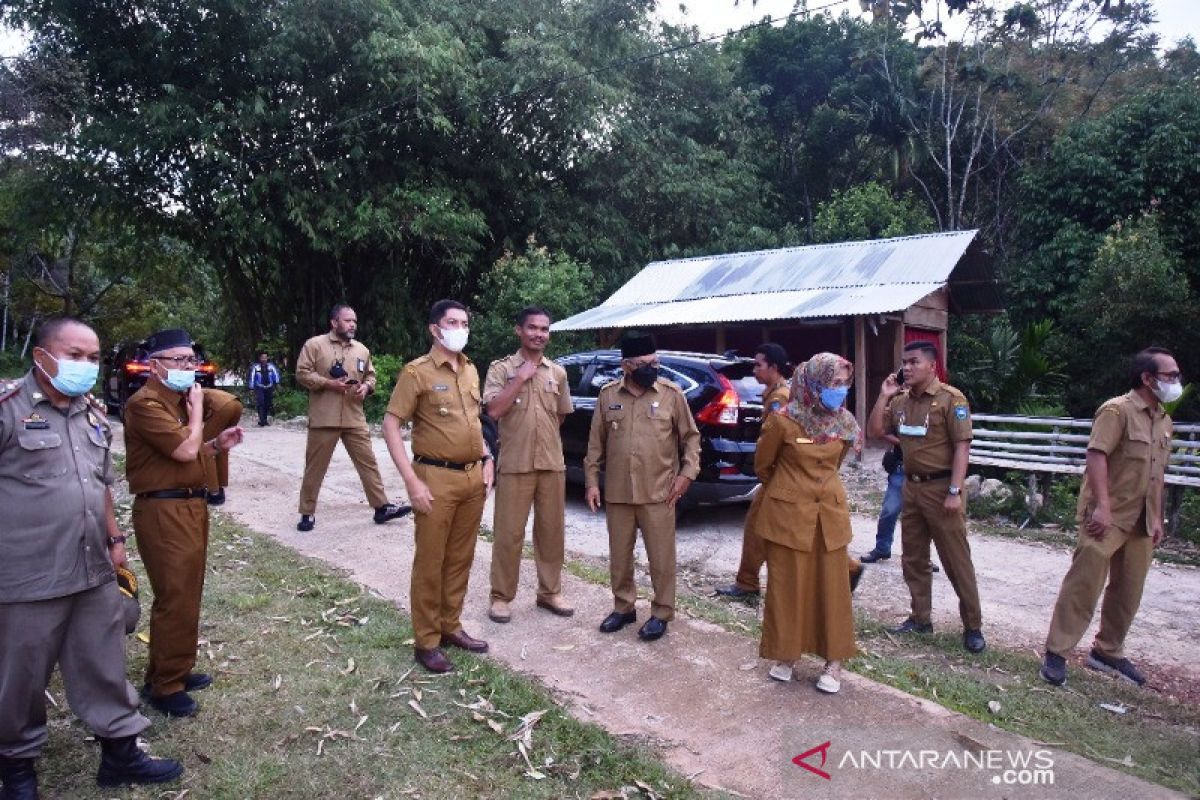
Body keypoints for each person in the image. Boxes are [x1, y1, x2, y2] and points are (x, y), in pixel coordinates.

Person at [0, 318, 184, 798]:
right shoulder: (7, 409)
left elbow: (99, 484)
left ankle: (121, 752)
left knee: (104, 662)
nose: (84, 365)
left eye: (92, 357)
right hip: (26, 572)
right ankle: (17, 770)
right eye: (74, 354)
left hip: (92, 565)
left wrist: (115, 536)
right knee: (20, 675)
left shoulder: (95, 414)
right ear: (41, 356)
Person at [124, 327, 246, 717]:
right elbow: (183, 450)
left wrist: (214, 446)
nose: (187, 367)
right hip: (163, 511)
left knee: (188, 593)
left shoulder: (176, 401)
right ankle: (165, 686)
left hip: (189, 506)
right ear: (154, 365)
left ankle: (173, 667)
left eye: (191, 360)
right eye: (178, 360)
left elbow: (227, 406)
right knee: (174, 596)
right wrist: (196, 417)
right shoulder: (146, 404)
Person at [1040, 347, 1179, 687]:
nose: (1176, 381)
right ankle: (1056, 653)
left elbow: (1158, 473)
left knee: (1128, 590)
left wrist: (1157, 517)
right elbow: (1097, 456)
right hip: (1108, 514)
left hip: (1142, 519)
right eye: (1169, 375)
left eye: (1177, 375)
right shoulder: (1117, 410)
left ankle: (1107, 651)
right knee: (1084, 585)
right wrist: (1102, 505)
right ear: (1147, 378)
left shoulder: (1163, 419)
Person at [382, 300, 495, 673]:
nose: (460, 328)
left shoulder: (471, 370)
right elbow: (391, 425)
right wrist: (411, 481)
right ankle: (426, 641)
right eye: (452, 322)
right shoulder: (417, 373)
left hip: (472, 478)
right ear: (435, 328)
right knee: (431, 562)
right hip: (434, 479)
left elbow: (473, 423)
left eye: (464, 322)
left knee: (460, 558)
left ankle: (451, 626)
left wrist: (487, 459)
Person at [868, 340, 985, 653]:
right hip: (912, 487)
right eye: (904, 362)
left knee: (956, 560)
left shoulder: (950, 399)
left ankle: (973, 626)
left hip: (942, 489)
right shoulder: (902, 401)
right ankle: (921, 619)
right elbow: (876, 431)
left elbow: (963, 447)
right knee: (913, 558)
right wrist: (884, 395)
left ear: (932, 366)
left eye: (914, 362)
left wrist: (954, 491)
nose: (907, 367)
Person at [584, 334, 701, 642]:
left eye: (655, 362)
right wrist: (592, 482)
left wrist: (687, 474)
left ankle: (661, 612)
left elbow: (691, 439)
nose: (652, 368)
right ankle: (623, 608)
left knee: (661, 558)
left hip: (660, 493)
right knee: (619, 557)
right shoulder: (609, 396)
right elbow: (596, 444)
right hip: (619, 493)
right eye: (644, 364)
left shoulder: (672, 395)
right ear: (626, 365)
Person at [757, 354, 860, 694]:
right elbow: (763, 465)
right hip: (788, 516)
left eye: (843, 384)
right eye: (834, 384)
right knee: (787, 586)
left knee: (833, 589)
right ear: (813, 382)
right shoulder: (783, 420)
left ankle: (834, 661)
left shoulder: (845, 423)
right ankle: (787, 655)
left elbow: (836, 465)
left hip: (828, 515)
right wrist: (791, 491)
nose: (840, 391)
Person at [483, 306, 575, 624]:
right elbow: (493, 411)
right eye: (532, 328)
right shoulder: (501, 369)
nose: (539, 334)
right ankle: (501, 597)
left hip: (551, 464)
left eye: (544, 329)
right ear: (519, 331)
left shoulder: (557, 373)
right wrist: (520, 379)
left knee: (551, 533)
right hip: (514, 463)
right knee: (508, 534)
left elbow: (560, 416)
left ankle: (549, 592)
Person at [294, 304, 409, 531]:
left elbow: (371, 376)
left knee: (368, 463)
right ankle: (307, 513)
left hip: (354, 417)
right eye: (347, 320)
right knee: (315, 468)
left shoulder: (362, 350)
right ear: (334, 322)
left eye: (354, 321)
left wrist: (366, 387)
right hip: (324, 418)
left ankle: (381, 507)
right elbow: (302, 373)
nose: (352, 325)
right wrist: (328, 383)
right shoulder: (315, 345)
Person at [714, 343, 792, 600]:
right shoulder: (773, 392)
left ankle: (747, 584)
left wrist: (765, 473)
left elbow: (773, 442)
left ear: (774, 367)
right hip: (780, 475)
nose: (755, 369)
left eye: (759, 364)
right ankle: (747, 583)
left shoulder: (780, 398)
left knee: (761, 528)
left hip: (778, 475)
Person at [248, 351, 281, 426]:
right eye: (262, 357)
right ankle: (262, 420)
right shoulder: (255, 367)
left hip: (269, 386)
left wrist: (277, 383)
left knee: (268, 403)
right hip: (259, 387)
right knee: (261, 403)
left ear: (267, 358)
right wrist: (251, 388)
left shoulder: (271, 366)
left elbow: (276, 375)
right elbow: (252, 378)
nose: (264, 359)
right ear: (260, 358)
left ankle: (265, 420)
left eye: (265, 357)